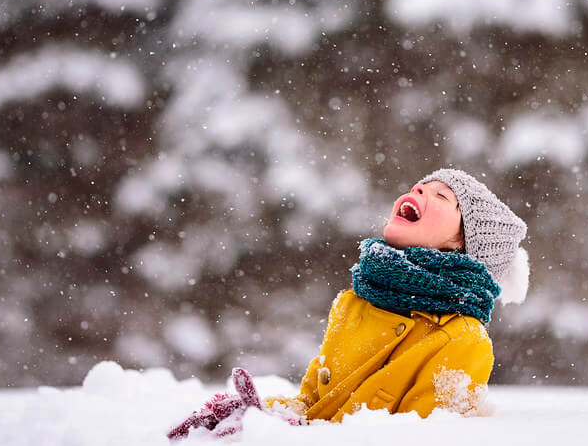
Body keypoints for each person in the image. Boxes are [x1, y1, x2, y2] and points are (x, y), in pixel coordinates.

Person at [167, 168, 528, 439]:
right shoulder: (354, 302)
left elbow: (429, 437)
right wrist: (262, 416)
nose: (418, 188)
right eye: (420, 186)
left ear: (460, 245)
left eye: (443, 196)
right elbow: (313, 404)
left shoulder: (463, 340)